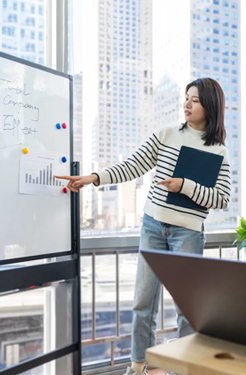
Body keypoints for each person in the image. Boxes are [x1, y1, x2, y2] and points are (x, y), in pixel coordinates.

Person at [57, 78, 231, 375]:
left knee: (187, 310)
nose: (187, 104)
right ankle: (138, 366)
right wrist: (93, 178)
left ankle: (183, 369)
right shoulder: (166, 135)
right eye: (186, 98)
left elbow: (222, 199)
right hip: (153, 225)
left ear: (210, 106)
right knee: (142, 302)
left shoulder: (219, 152)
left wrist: (185, 185)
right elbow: (132, 166)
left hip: (188, 232)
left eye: (195, 100)